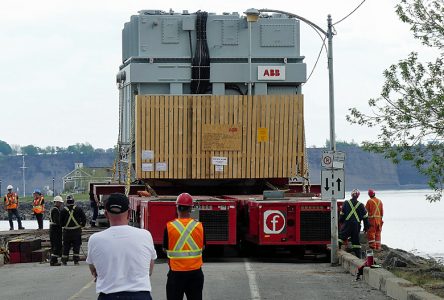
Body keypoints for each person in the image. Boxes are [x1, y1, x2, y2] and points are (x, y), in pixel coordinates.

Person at [86, 193, 157, 300]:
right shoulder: (145, 235)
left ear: (106, 214)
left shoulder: (95, 239)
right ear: (129, 214)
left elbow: (93, 270)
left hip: (108, 296)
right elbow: (149, 269)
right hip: (140, 295)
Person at [163, 193, 205, 300]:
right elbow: (203, 247)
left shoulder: (169, 226)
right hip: (195, 273)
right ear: (191, 208)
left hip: (176, 274)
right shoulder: (199, 226)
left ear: (177, 207)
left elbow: (165, 249)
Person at [338, 189, 369, 258]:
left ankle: (336, 251)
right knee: (356, 241)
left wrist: (341, 221)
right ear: (358, 196)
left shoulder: (346, 203)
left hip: (347, 224)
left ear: (351, 195)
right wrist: (366, 228)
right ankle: (358, 257)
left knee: (341, 237)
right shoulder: (361, 205)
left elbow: (342, 214)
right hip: (356, 226)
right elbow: (365, 217)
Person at [60, 194, 86, 265]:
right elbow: (84, 218)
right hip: (76, 231)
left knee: (66, 246)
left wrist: (64, 225)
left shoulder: (63, 210)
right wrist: (82, 225)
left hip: (67, 232)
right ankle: (76, 261)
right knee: (76, 246)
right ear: (73, 201)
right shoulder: (78, 209)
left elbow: (60, 222)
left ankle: (64, 261)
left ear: (67, 201)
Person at [49, 195, 64, 266]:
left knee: (56, 245)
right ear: (57, 202)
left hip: (54, 229)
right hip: (55, 230)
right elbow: (57, 221)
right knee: (56, 245)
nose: (61, 204)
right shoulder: (55, 210)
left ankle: (54, 260)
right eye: (60, 203)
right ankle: (53, 261)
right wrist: (63, 225)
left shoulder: (55, 209)